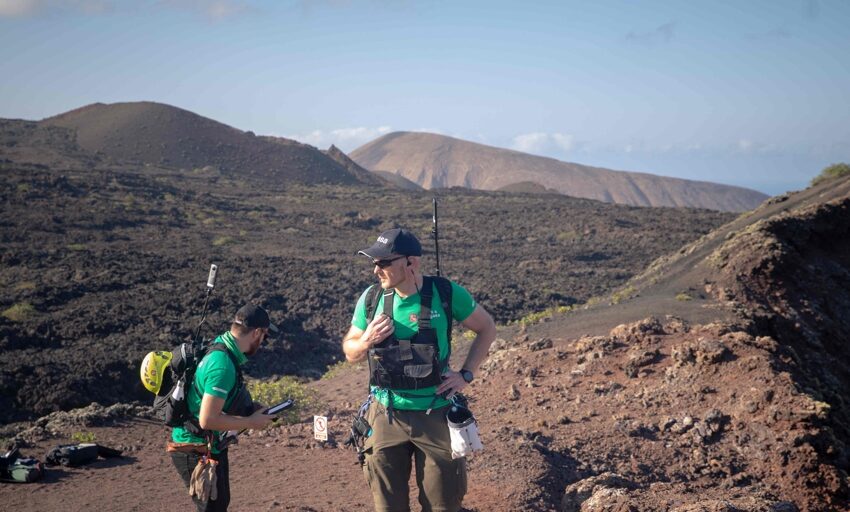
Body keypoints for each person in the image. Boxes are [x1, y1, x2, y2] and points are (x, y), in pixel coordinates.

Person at [343, 228, 497, 512]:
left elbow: (486, 327)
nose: (376, 270)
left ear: (411, 262)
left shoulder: (446, 292)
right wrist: (366, 340)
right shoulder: (371, 298)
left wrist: (465, 375)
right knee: (388, 507)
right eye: (374, 263)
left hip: (436, 413)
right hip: (385, 414)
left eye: (384, 262)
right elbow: (350, 351)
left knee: (443, 505)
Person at [168, 304, 278, 512]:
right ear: (256, 333)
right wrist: (250, 423)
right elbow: (207, 419)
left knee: (219, 504)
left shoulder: (222, 345)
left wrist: (251, 409)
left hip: (210, 444)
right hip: (194, 447)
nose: (263, 342)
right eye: (264, 336)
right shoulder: (222, 365)